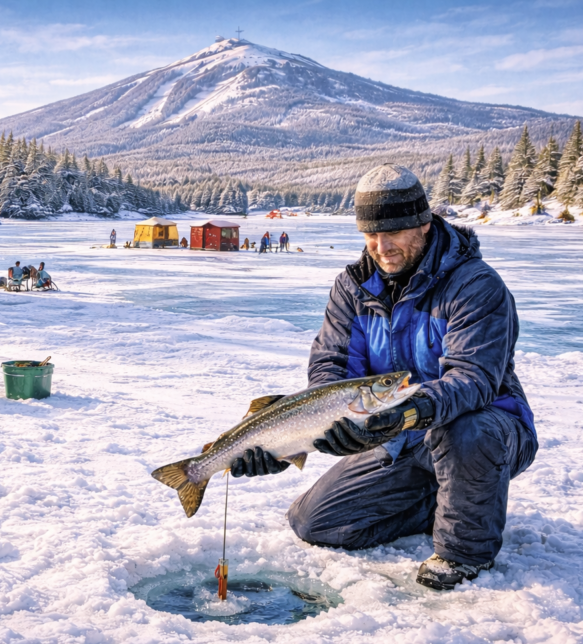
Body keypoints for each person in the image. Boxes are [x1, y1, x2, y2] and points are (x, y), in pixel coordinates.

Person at [230, 164, 537, 591]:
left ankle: (462, 553)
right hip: (394, 438)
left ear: (424, 225)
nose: (381, 245)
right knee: (314, 522)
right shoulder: (352, 288)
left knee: (466, 428)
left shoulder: (475, 285)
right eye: (371, 234)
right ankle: (445, 499)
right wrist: (287, 442)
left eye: (394, 232)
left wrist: (409, 412)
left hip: (489, 430)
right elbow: (331, 371)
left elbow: (472, 380)